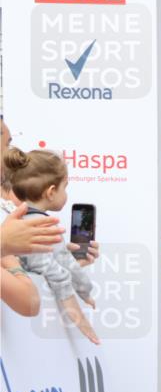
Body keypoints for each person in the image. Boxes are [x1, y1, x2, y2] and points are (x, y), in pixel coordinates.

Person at [3, 147, 99, 343]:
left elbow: (60, 261)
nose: (66, 194)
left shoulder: (15, 223)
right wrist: (81, 298)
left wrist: (82, 288)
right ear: (51, 192)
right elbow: (53, 267)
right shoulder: (38, 227)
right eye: (66, 187)